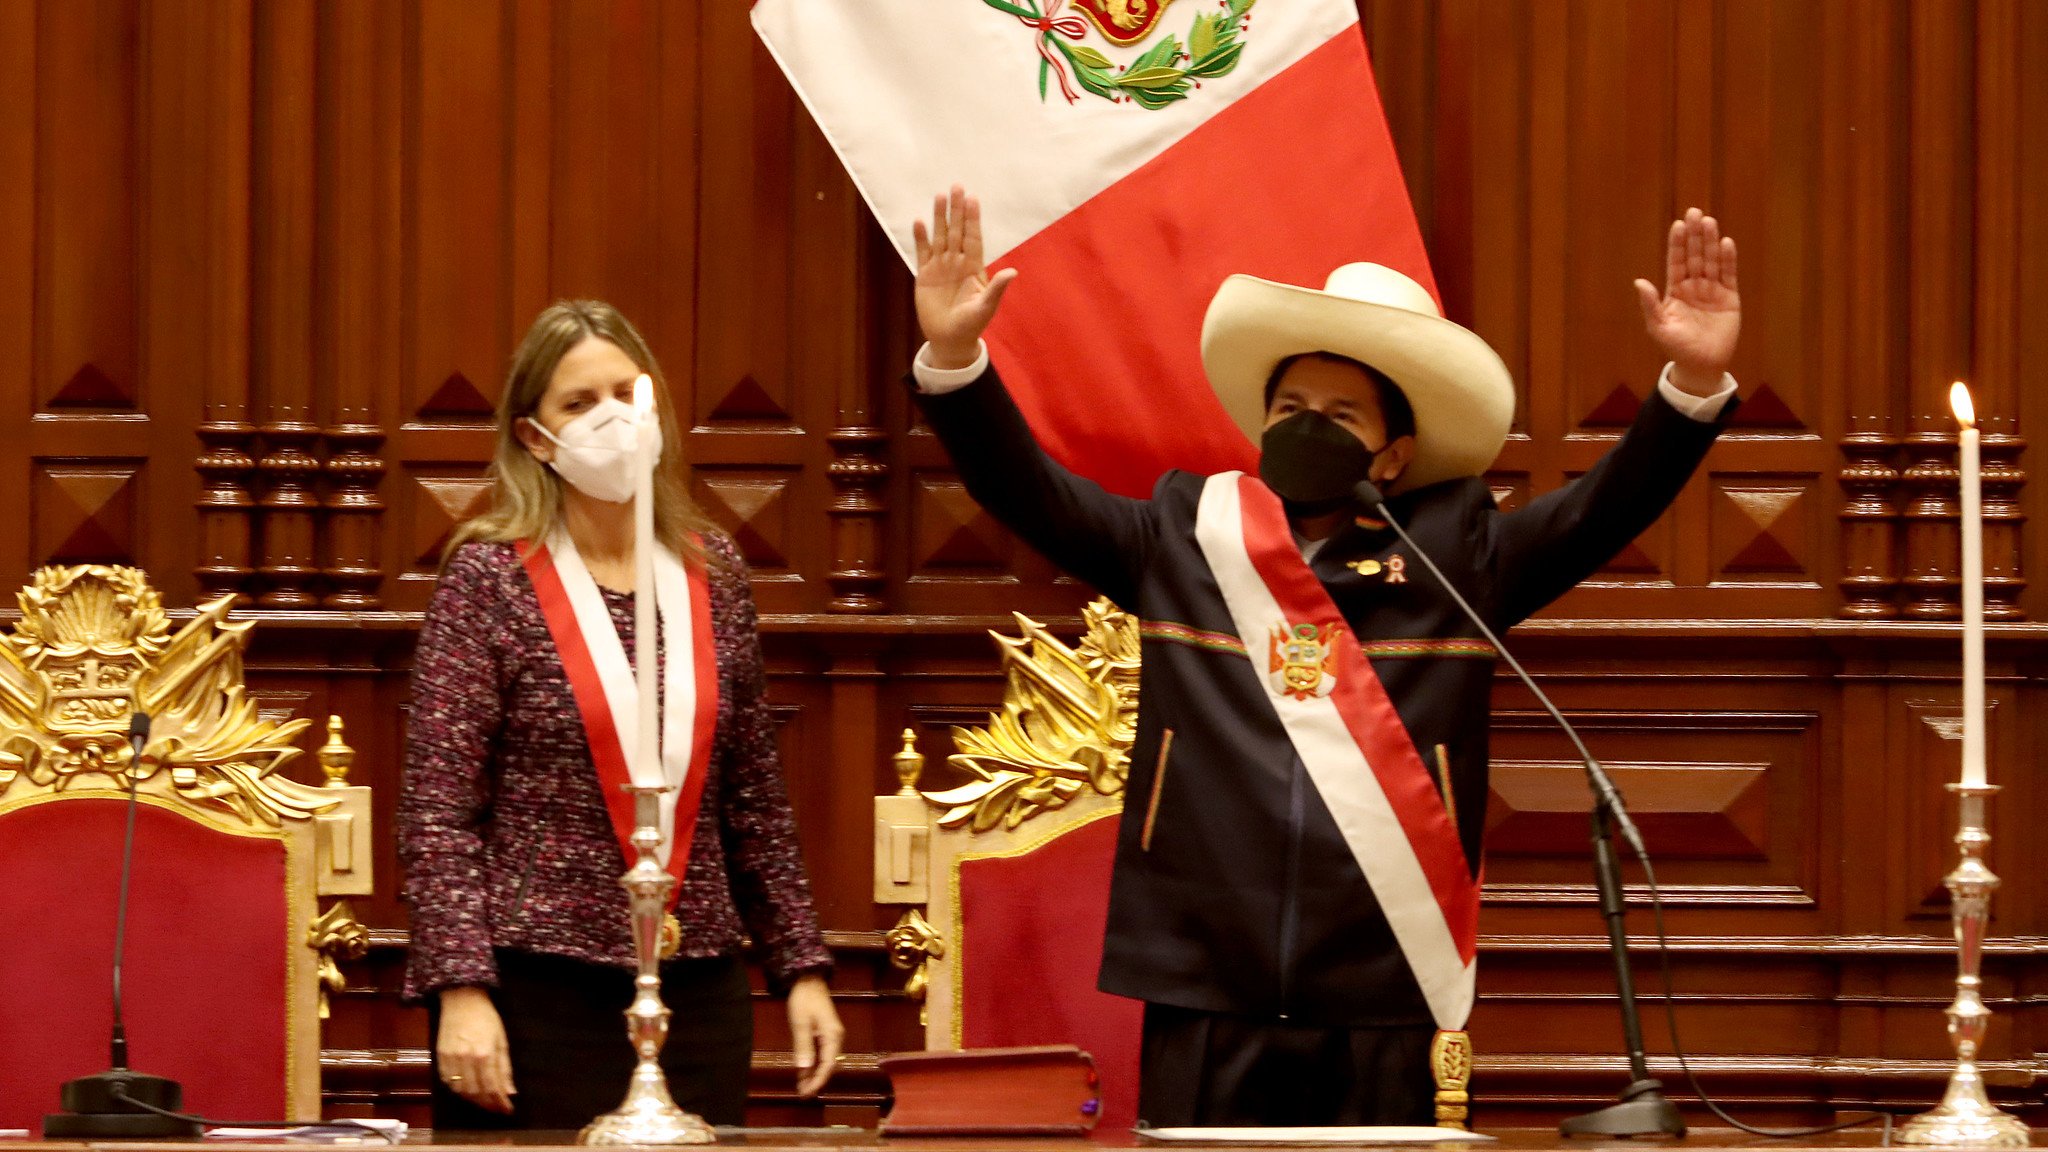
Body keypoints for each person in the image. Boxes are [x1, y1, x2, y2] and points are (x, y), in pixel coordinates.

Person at [907, 186, 1743, 1126]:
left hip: (1382, 975)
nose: (1308, 425)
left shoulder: (1458, 554)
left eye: (1341, 414)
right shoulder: (1184, 533)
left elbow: (1607, 507)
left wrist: (1692, 393)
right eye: (1291, 405)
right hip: (1201, 971)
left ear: (1393, 455)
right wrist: (955, 361)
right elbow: (1028, 492)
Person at [397, 300, 843, 1130]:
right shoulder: (490, 578)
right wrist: (461, 988)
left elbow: (754, 798)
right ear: (535, 438)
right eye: (578, 403)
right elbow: (438, 810)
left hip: (697, 981)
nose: (611, 418)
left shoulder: (716, 571)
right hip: (534, 987)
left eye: (626, 392)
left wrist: (802, 969)